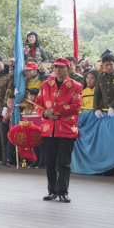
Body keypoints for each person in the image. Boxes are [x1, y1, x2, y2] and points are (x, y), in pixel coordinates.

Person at [34, 58, 82, 202]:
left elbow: (76, 107)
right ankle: (52, 191)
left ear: (68, 69)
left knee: (64, 163)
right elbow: (38, 103)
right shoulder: (46, 85)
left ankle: (63, 191)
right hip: (48, 129)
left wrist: (55, 110)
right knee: (49, 162)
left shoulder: (76, 86)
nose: (58, 70)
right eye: (56, 67)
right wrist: (44, 113)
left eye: (61, 67)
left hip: (67, 129)